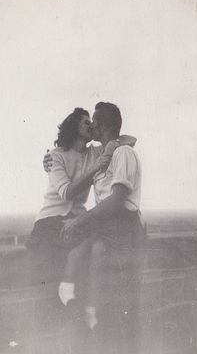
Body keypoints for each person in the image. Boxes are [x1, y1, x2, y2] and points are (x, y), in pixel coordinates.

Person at [60, 102, 145, 352]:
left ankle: (82, 304)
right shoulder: (109, 151)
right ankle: (85, 306)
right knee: (88, 244)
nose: (92, 126)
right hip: (109, 223)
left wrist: (80, 220)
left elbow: (118, 200)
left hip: (123, 224)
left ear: (104, 125)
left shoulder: (123, 154)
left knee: (86, 237)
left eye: (95, 122)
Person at [27, 107, 136, 278]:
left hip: (76, 217)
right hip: (51, 218)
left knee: (97, 243)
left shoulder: (95, 152)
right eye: (86, 122)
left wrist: (112, 145)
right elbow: (66, 193)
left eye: (92, 122)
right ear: (74, 126)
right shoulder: (55, 156)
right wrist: (97, 167)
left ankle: (75, 294)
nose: (91, 125)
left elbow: (130, 139)